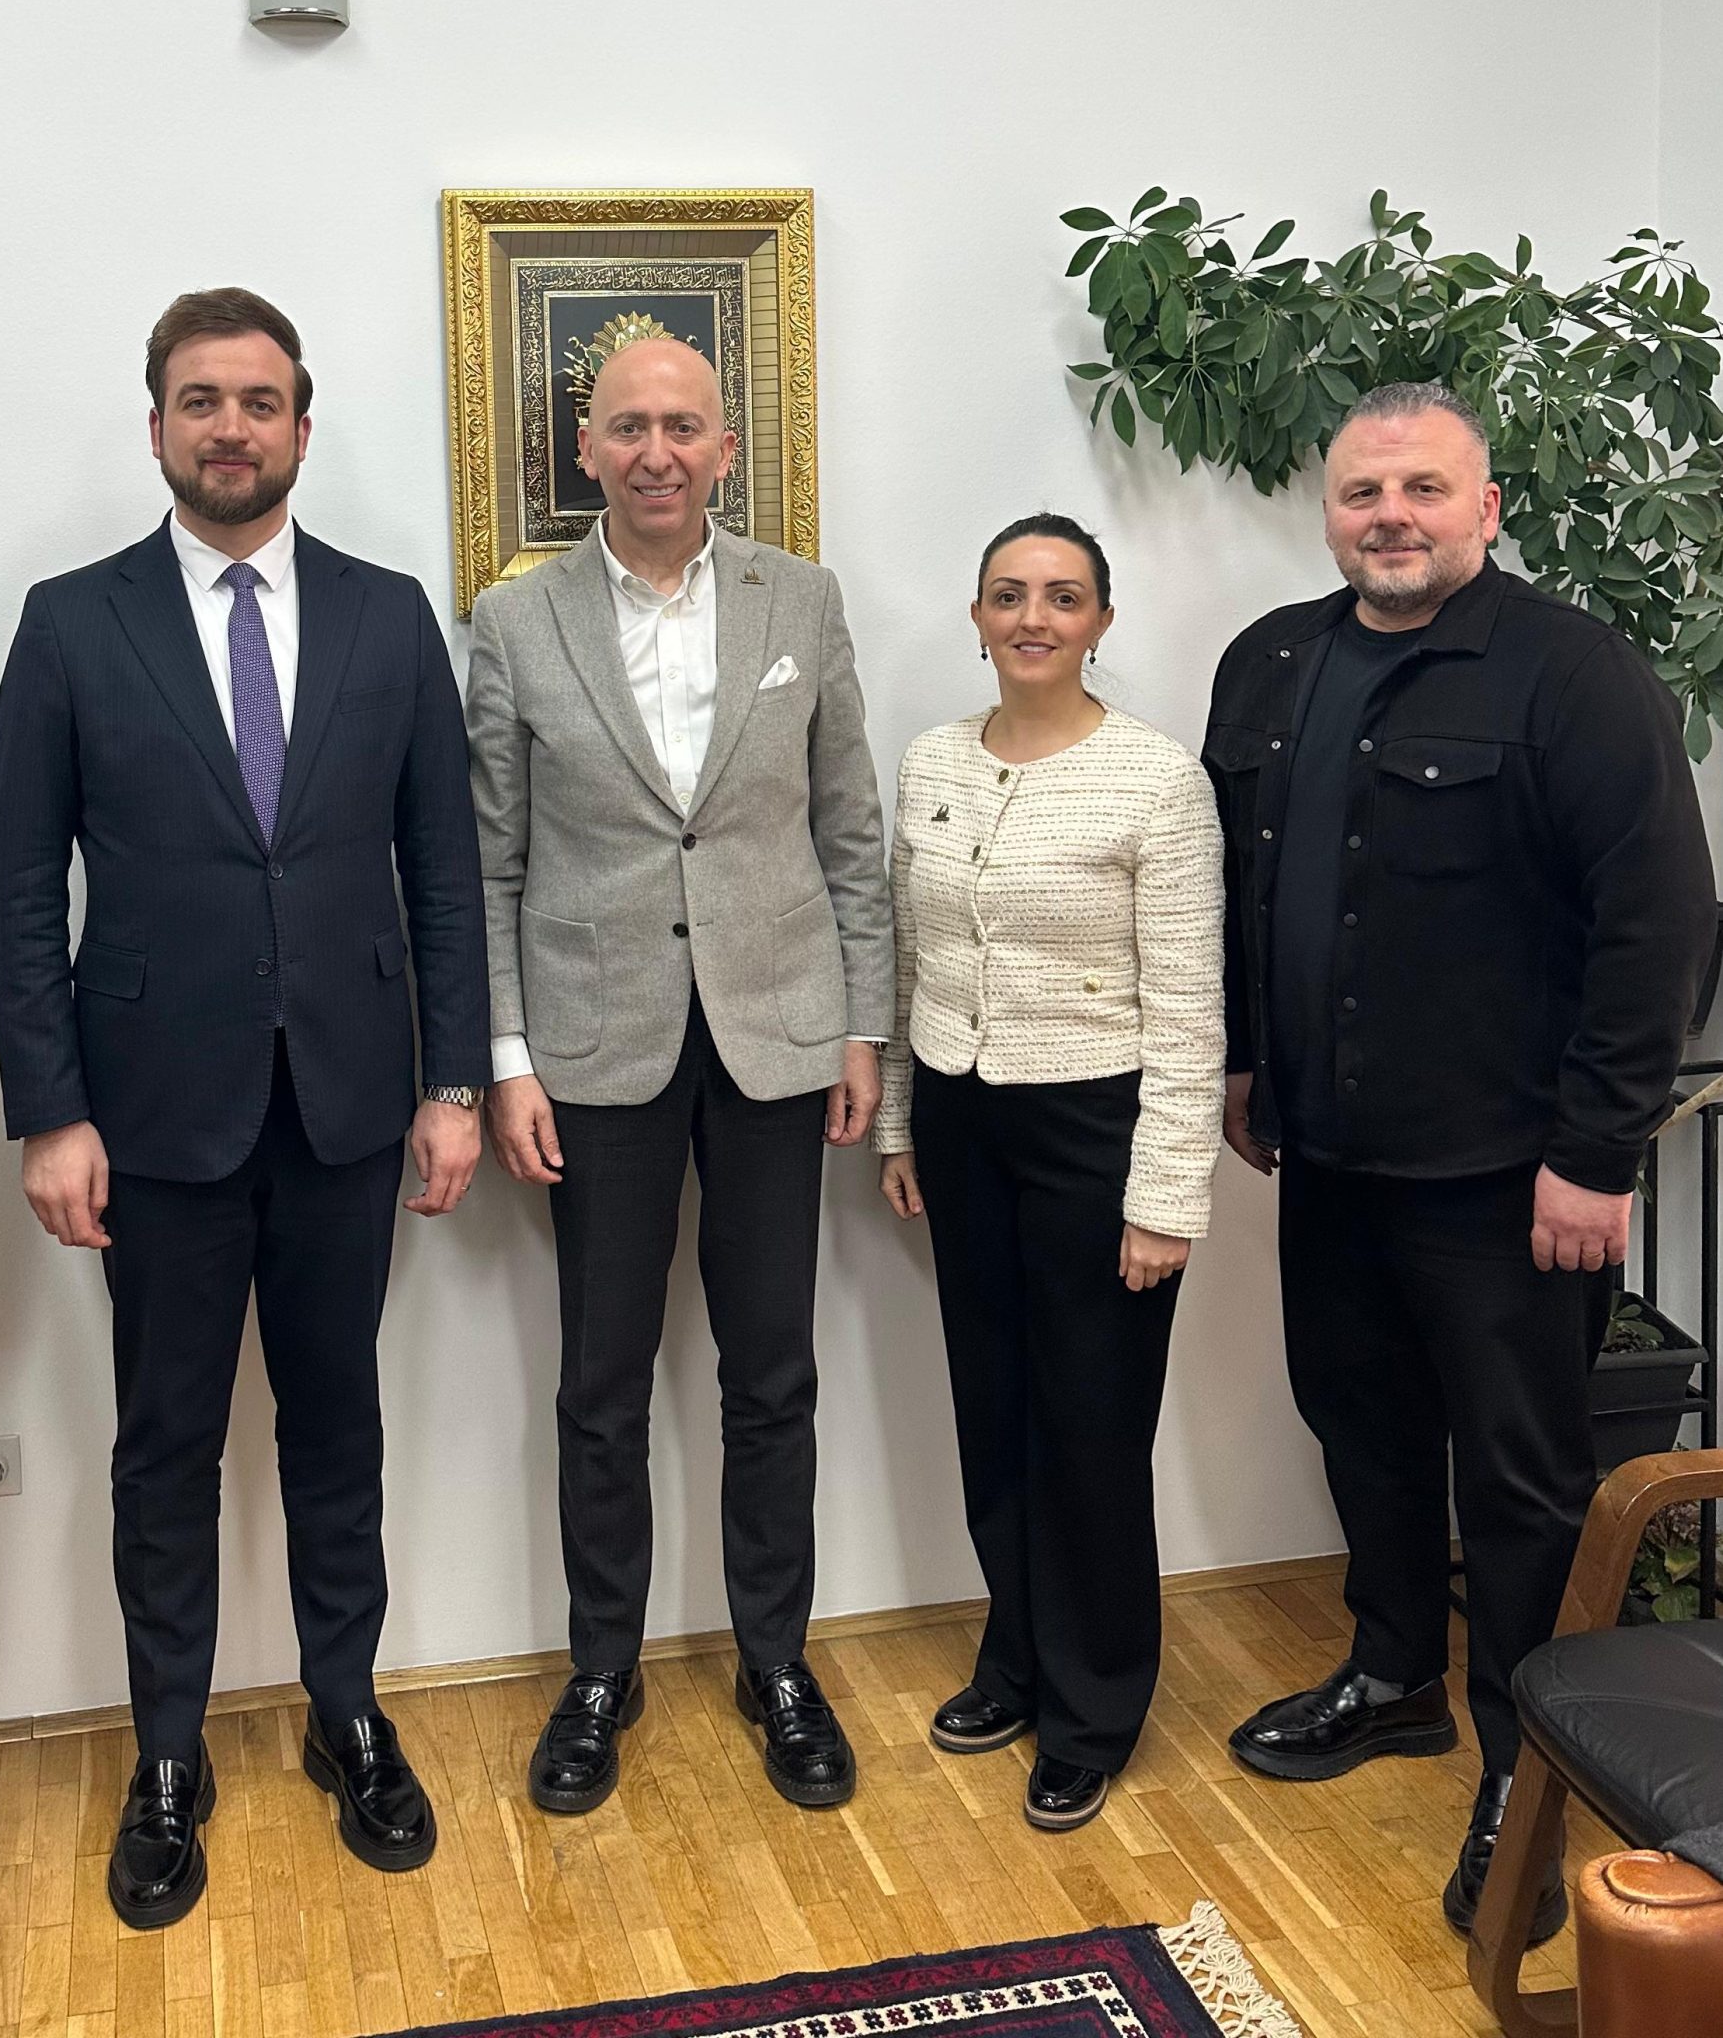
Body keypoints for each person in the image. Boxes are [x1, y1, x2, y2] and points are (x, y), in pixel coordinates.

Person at [0, 288, 488, 1922]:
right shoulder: (74, 622)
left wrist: (454, 1080)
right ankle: (168, 1755)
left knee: (340, 1429)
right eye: (200, 401)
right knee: (165, 1448)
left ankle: (348, 1715)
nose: (230, 428)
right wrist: (50, 1111)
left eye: (259, 402)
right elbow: (15, 885)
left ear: (303, 429)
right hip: (152, 1121)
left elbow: (444, 871)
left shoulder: (388, 617)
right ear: (156, 428)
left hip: (348, 1107)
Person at [1204, 381, 1715, 1942]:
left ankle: (1524, 1771)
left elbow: (1657, 924)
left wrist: (1599, 1153)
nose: (1393, 516)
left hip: (1510, 1179)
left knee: (1517, 1484)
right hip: (1329, 1156)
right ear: (1330, 513)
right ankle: (1391, 1678)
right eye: (1365, 492)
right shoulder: (1271, 663)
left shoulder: (1572, 671)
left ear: (1486, 508)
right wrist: (1245, 1060)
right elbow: (1250, 894)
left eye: (1425, 489)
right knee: (1357, 1428)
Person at [466, 328, 891, 1817]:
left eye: (684, 426)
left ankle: (777, 1660)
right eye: (629, 426)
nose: (657, 451)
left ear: (726, 447)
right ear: (585, 448)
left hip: (778, 1036)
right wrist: (505, 1058)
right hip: (593, 1048)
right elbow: (490, 862)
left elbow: (849, 829)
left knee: (772, 1373)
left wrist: (863, 1028)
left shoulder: (801, 599)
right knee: (601, 1382)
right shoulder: (515, 621)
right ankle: (603, 1668)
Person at [874, 514, 1223, 1833]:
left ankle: (1094, 1708)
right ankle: (1015, 1659)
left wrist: (1166, 1198)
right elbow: (912, 963)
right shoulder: (931, 762)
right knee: (995, 1410)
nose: (1034, 617)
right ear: (977, 618)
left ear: (1100, 622)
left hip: (1097, 1129)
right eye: (1010, 594)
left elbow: (1189, 1007)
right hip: (963, 1121)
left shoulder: (1156, 780)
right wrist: (902, 1123)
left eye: (1063, 597)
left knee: (1091, 1428)